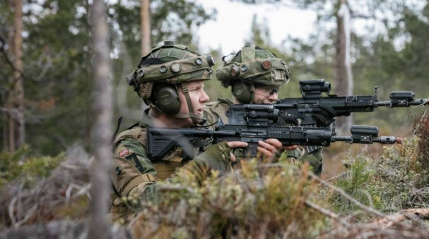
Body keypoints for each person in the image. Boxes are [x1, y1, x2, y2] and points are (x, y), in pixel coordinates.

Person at [110, 41, 282, 213]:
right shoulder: (130, 146)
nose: (205, 97)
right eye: (195, 89)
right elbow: (147, 203)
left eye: (203, 88)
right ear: (166, 97)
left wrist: (260, 165)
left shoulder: (209, 130)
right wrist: (207, 162)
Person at [207, 43, 324, 174]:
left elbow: (308, 181)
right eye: (266, 89)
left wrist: (315, 137)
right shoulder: (211, 118)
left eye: (276, 90)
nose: (274, 97)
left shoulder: (284, 125)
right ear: (241, 89)